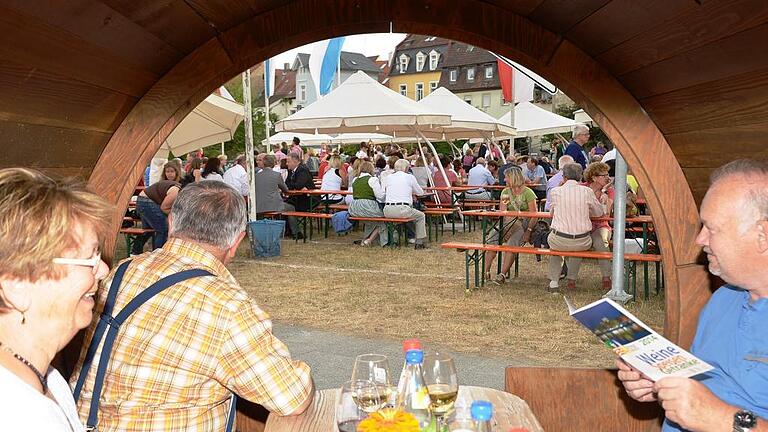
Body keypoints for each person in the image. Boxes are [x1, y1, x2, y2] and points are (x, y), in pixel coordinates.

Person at [72, 181, 315, 431]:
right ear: (235, 243)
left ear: (171, 223)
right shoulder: (228, 307)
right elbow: (291, 397)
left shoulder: (121, 271)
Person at [618, 159, 768, 432]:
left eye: (712, 228)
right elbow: (708, 385)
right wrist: (659, 383)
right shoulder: (724, 298)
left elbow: (713, 410)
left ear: (763, 235)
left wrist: (721, 420)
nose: (700, 240)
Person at [0, 168, 112, 431]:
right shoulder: (16, 414)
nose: (104, 270)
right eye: (89, 259)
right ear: (17, 284)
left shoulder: (47, 377)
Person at [546, 163, 603, 292]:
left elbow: (551, 214)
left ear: (564, 176)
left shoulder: (556, 191)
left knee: (554, 243)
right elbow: (598, 213)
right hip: (582, 241)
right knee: (572, 243)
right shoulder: (587, 191)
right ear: (580, 176)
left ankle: (554, 282)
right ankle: (571, 279)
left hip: (559, 240)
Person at [484, 168, 539, 284]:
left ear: (513, 178)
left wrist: (528, 231)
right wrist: (506, 226)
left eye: (506, 177)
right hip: (507, 223)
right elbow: (503, 212)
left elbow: (534, 215)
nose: (504, 179)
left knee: (511, 245)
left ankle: (502, 275)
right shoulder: (505, 192)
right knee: (492, 240)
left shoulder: (528, 193)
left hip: (522, 225)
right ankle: (486, 271)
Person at [383, 159, 428, 249]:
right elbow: (420, 192)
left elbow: (383, 193)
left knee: (394, 221)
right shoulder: (409, 177)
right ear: (406, 168)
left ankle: (394, 240)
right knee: (421, 216)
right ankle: (419, 242)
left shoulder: (388, 177)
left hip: (387, 210)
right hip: (402, 209)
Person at [583, 161, 614, 290]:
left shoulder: (610, 191)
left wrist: (605, 196)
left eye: (608, 174)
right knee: (575, 238)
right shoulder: (582, 188)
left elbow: (606, 213)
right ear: (594, 177)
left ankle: (606, 277)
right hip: (583, 225)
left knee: (600, 241)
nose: (607, 177)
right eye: (604, 175)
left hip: (601, 225)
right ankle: (571, 278)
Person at [255, 155, 301, 238]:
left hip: (259, 206)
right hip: (273, 205)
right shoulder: (276, 175)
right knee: (291, 208)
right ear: (273, 163)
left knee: (286, 206)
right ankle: (296, 232)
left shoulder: (256, 176)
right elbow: (286, 190)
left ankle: (286, 230)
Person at [134, 174, 180, 254]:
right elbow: (164, 208)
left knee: (148, 230)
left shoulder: (177, 188)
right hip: (147, 202)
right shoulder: (176, 192)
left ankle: (135, 251)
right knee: (163, 229)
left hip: (142, 200)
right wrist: (176, 214)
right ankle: (158, 254)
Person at [349, 161, 387, 247]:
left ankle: (365, 239)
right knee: (384, 221)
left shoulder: (355, 179)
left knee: (371, 222)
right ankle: (369, 240)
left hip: (354, 207)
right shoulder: (372, 179)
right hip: (367, 206)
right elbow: (380, 196)